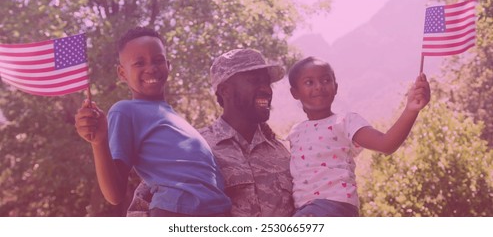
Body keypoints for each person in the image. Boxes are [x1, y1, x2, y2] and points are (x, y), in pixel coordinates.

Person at [74, 27, 231, 217]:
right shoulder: (125, 110)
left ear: (168, 65)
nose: (151, 68)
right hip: (176, 213)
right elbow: (114, 194)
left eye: (158, 60)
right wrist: (99, 143)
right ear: (122, 73)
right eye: (139, 63)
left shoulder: (172, 116)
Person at [127, 48, 295, 217]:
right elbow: (138, 212)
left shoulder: (284, 154)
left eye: (267, 82)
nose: (266, 89)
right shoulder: (189, 148)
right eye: (254, 81)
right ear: (225, 90)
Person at [287, 56, 431, 217]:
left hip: (333, 207)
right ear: (295, 92)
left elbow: (386, 144)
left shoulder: (345, 122)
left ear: (336, 87)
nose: (319, 87)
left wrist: (411, 109)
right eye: (309, 82)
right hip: (304, 210)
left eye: (326, 80)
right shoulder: (295, 133)